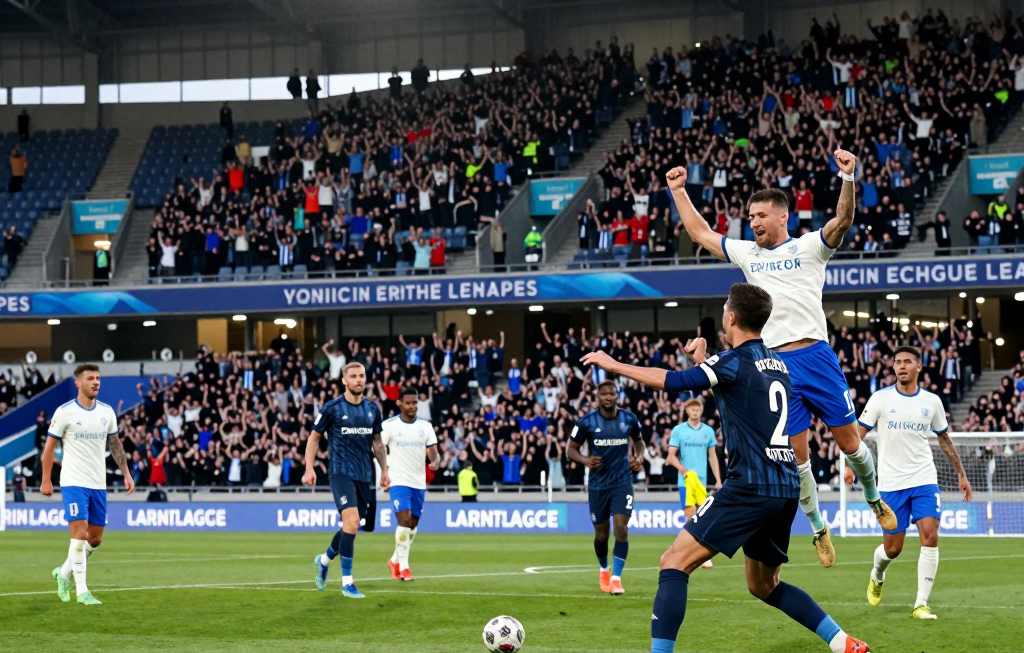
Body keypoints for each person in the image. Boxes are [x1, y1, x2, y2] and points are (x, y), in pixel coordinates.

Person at [581, 283, 870, 653]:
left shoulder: (731, 361)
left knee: (673, 562)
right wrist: (705, 360)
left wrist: (613, 364)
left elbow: (674, 382)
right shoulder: (778, 364)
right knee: (763, 585)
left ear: (731, 317)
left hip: (749, 486)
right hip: (784, 488)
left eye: (724, 307)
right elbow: (737, 389)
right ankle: (841, 641)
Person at [666, 150, 895, 569]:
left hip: (817, 357)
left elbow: (842, 221)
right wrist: (678, 191)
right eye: (749, 215)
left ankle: (874, 498)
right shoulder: (748, 254)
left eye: (760, 215)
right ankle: (818, 529)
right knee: (797, 457)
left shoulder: (810, 248)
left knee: (850, 444)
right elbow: (700, 234)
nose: (752, 222)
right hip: (776, 368)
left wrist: (848, 177)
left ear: (781, 217)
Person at [859, 346, 972, 620]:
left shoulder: (931, 402)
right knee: (893, 549)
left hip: (924, 479)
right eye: (897, 362)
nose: (901, 366)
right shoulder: (880, 399)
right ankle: (878, 572)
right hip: (890, 483)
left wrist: (960, 472)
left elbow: (944, 439)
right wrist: (851, 466)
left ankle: (920, 604)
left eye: (907, 362)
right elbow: (857, 434)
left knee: (930, 537)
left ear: (918, 367)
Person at [40, 364, 135, 606]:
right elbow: (49, 448)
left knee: (94, 539)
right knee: (79, 534)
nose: (96, 382)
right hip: (73, 481)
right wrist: (46, 478)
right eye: (90, 378)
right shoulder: (65, 412)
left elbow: (115, 445)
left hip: (98, 484)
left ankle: (62, 574)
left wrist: (126, 473)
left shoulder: (107, 412)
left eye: (98, 378)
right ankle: (82, 591)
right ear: (78, 383)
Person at [306, 362, 390, 599]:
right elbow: (313, 439)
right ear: (344, 380)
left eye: (361, 376)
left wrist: (384, 470)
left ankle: (323, 561)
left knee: (350, 525)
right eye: (353, 376)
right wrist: (309, 468)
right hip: (341, 473)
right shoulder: (332, 408)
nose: (358, 380)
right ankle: (347, 583)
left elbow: (377, 442)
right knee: (352, 521)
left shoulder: (373, 408)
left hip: (365, 475)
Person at [566, 381, 644, 595]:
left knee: (621, 528)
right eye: (604, 394)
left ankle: (616, 579)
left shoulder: (629, 418)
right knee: (602, 535)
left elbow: (638, 441)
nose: (608, 397)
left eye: (612, 394)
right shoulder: (586, 422)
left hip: (622, 481)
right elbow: (570, 450)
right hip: (598, 485)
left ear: (617, 396)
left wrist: (638, 456)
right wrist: (585, 460)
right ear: (598, 396)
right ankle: (603, 568)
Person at [383, 388, 441, 581]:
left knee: (413, 526)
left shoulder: (426, 426)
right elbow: (377, 449)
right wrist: (383, 474)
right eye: (408, 403)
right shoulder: (389, 426)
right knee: (404, 521)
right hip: (398, 480)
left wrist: (435, 460)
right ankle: (404, 568)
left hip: (418, 482)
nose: (412, 406)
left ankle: (394, 560)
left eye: (415, 402)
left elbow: (433, 450)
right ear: (399, 403)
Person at [667, 398, 722, 569]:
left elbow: (713, 456)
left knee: (703, 517)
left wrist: (718, 479)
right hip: (686, 481)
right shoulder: (679, 430)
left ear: (701, 410)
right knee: (690, 516)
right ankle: (690, 553)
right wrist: (683, 470)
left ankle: (699, 552)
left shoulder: (708, 431)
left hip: (702, 481)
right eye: (691, 409)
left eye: (697, 409)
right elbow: (670, 457)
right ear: (687, 411)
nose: (695, 411)